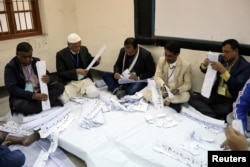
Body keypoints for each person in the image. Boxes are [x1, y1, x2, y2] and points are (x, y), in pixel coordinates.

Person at [189, 39, 250, 120]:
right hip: (216, 95)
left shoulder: (245, 67)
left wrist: (223, 71)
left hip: (230, 99)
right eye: (223, 51)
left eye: (227, 52)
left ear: (235, 51)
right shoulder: (221, 58)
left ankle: (210, 113)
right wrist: (204, 64)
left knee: (226, 110)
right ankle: (215, 116)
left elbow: (237, 86)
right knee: (192, 98)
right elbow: (204, 70)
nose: (223, 54)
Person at [4, 42, 65, 116]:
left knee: (60, 86)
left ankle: (38, 105)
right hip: (24, 96)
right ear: (17, 54)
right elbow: (12, 88)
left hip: (39, 91)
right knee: (18, 105)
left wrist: (48, 79)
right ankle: (50, 103)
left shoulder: (36, 61)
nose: (28, 60)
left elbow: (49, 75)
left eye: (30, 56)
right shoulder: (11, 67)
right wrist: (33, 95)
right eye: (24, 57)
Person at [143, 41, 192, 112]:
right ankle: (168, 103)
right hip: (163, 90)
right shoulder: (162, 60)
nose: (167, 58)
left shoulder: (186, 65)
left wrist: (178, 90)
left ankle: (164, 101)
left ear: (177, 54)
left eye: (170, 56)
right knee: (145, 93)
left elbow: (188, 84)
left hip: (175, 93)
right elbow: (156, 77)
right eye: (166, 55)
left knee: (186, 96)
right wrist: (163, 84)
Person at [56, 33, 100, 99]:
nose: (78, 48)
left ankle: (82, 91)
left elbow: (89, 61)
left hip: (84, 80)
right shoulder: (61, 54)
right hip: (71, 82)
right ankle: (81, 92)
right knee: (63, 99)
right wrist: (76, 71)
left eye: (79, 46)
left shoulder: (83, 49)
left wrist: (96, 61)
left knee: (94, 93)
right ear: (69, 45)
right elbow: (61, 73)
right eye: (76, 47)